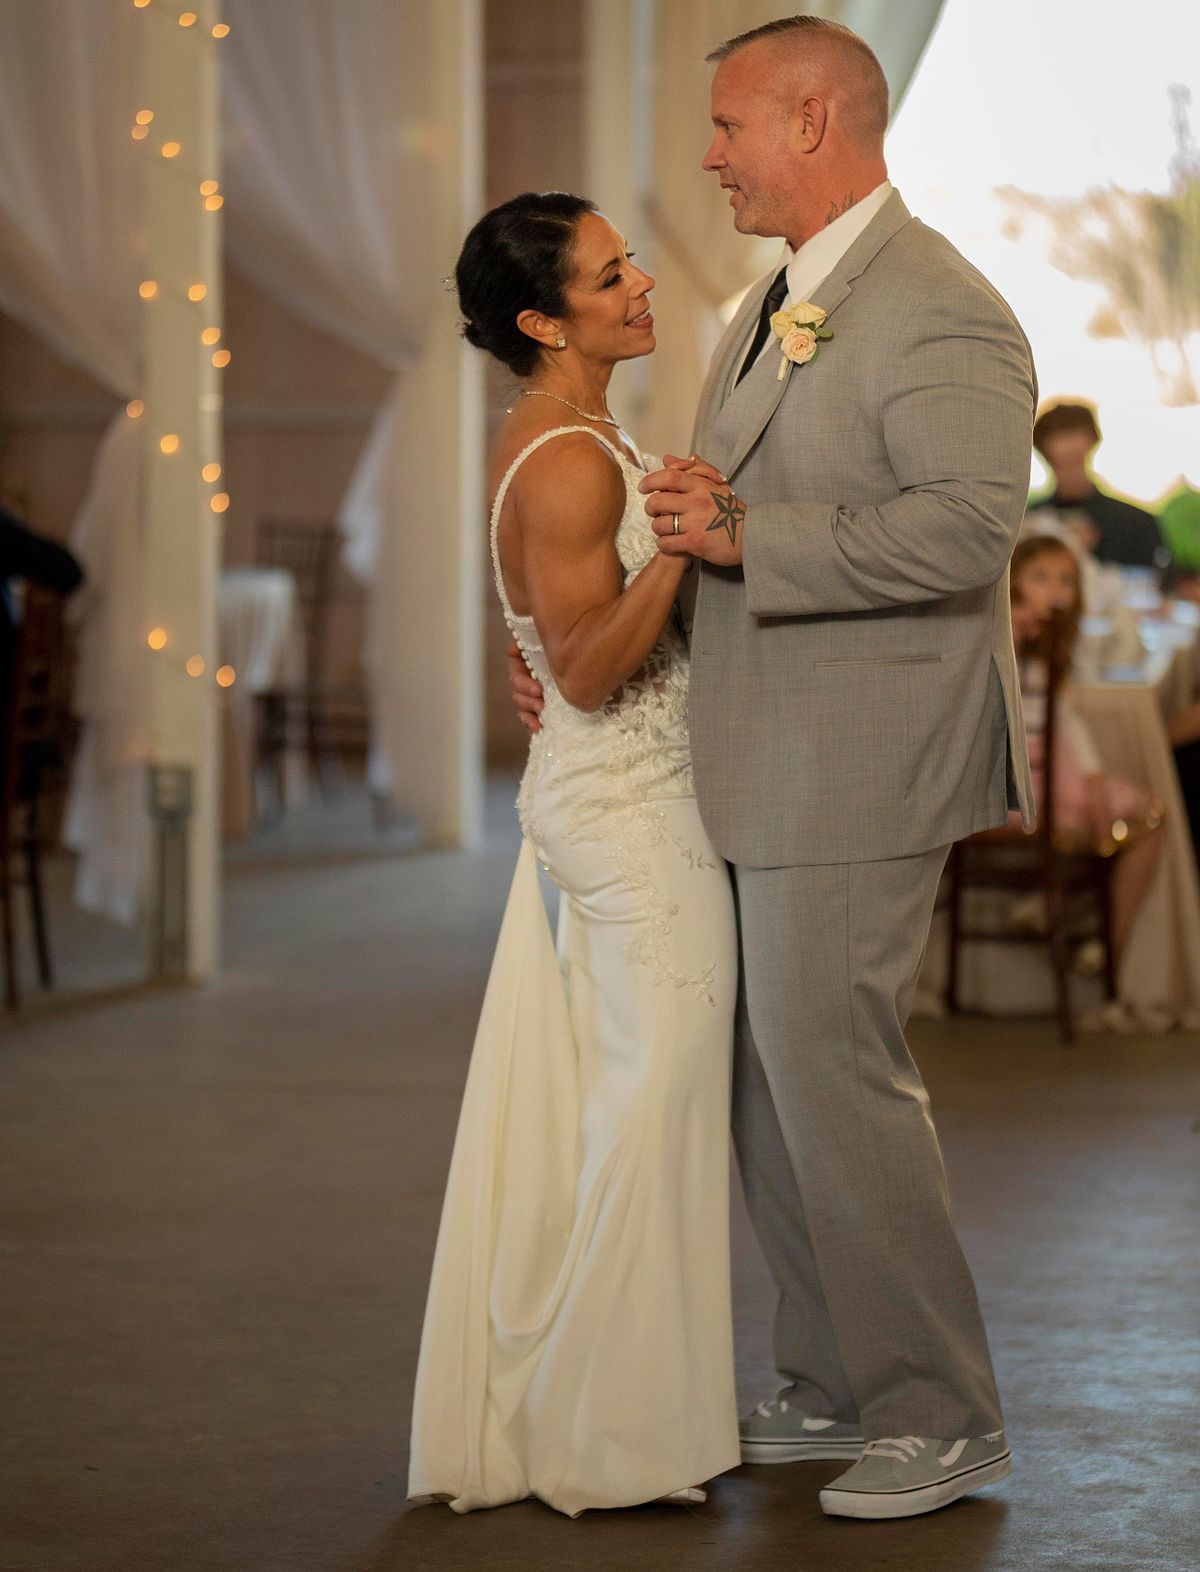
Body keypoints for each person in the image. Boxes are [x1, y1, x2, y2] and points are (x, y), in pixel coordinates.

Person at [512, 15, 1036, 1521]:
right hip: (760, 744)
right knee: (767, 1084)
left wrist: (749, 534)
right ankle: (827, 1381)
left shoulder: (939, 307)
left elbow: (961, 531)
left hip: (864, 757)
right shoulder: (778, 297)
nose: (709, 156)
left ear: (814, 123)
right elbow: (718, 517)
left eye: (732, 127)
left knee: (837, 1076)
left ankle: (941, 1415)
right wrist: (573, 632)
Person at [408, 193, 741, 1516]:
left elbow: (563, 645)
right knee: (649, 1114)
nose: (644, 281)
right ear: (544, 319)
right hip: (626, 817)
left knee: (630, 1110)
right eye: (613, 274)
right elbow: (596, 670)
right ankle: (606, 1436)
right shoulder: (565, 459)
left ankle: (602, 1410)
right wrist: (680, 545)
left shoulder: (587, 431)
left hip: (632, 799)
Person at [1008, 534, 1162, 965]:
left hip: (1053, 774)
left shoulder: (1049, 647)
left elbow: (1067, 718)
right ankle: (1065, 910)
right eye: (1040, 577)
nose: (1055, 591)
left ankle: (1101, 935)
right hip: (1015, 783)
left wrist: (1091, 775)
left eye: (1066, 580)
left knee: (1140, 816)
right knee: (1115, 819)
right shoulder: (1007, 636)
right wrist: (1013, 625)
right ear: (1013, 582)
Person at [1029, 401, 1165, 569]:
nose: (1070, 473)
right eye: (1060, 463)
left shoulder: (1136, 524)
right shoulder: (1031, 526)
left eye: (1076, 460)